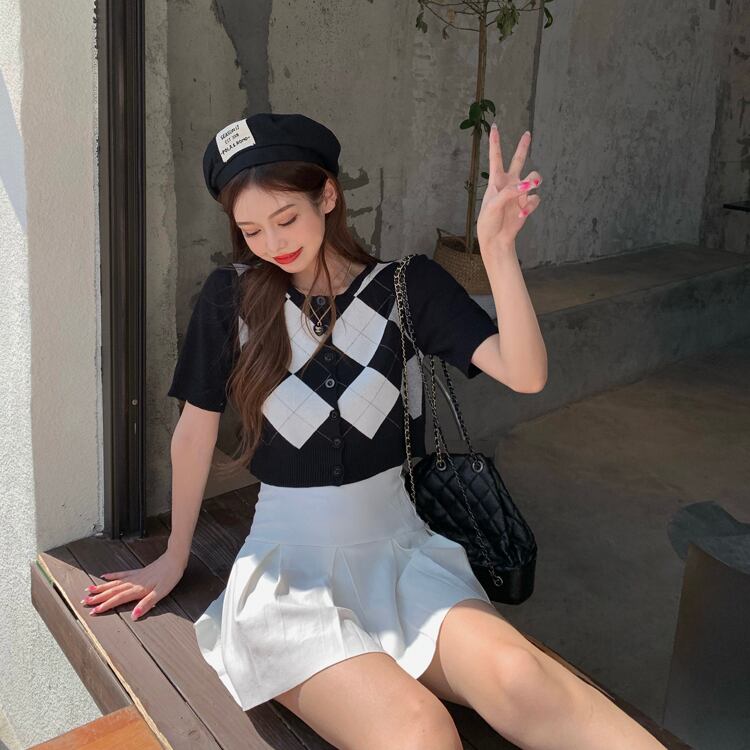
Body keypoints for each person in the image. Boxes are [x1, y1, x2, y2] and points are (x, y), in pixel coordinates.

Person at [86, 112, 667, 749]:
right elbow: (194, 433)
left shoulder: (405, 287)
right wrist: (176, 555)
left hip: (401, 556)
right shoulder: (231, 297)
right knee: (419, 732)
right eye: (250, 230)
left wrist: (499, 253)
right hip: (288, 575)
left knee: (524, 677)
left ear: (328, 195)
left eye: (286, 218)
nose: (272, 243)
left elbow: (526, 374)